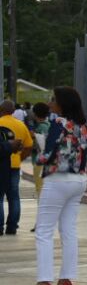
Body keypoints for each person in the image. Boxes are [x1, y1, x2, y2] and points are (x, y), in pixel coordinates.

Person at [25, 87, 87, 285]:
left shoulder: (59, 124)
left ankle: (43, 281)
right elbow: (85, 155)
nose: (51, 103)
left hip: (57, 180)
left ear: (62, 104)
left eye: (53, 100)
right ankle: (66, 278)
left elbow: (46, 155)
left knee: (43, 231)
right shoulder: (82, 127)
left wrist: (39, 149)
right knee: (69, 230)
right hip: (79, 180)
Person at [0, 99, 34, 236]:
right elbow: (29, 146)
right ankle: (12, 227)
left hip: (1, 164)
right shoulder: (20, 124)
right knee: (14, 196)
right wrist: (20, 158)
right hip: (14, 165)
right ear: (13, 111)